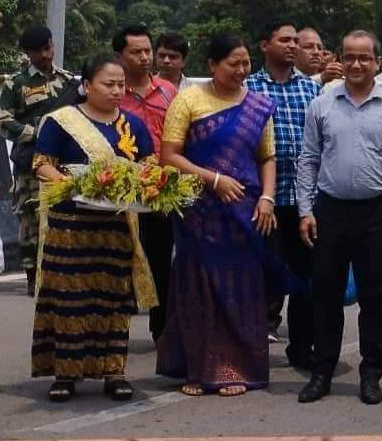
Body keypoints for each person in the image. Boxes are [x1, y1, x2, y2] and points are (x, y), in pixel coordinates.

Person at [294, 31, 382, 405]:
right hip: (330, 209)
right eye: (349, 57)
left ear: (377, 62)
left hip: (376, 212)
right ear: (341, 60)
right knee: (326, 293)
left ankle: (371, 373)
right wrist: (305, 210)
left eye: (365, 57)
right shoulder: (322, 105)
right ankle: (321, 371)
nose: (357, 64)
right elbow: (309, 159)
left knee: (375, 295)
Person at [29, 55, 158, 402]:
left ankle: (113, 372)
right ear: (86, 85)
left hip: (115, 227)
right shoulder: (61, 121)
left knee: (113, 301)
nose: (117, 91)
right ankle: (65, 375)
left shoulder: (133, 124)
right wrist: (72, 185)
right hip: (69, 226)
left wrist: (148, 183)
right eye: (108, 84)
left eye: (121, 85)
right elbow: (42, 164)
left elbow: (148, 165)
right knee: (70, 302)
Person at [156, 34, 279, 396]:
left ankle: (238, 367)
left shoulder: (259, 105)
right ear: (212, 65)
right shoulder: (189, 100)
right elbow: (170, 156)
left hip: (245, 211)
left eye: (245, 63)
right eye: (233, 64)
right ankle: (197, 370)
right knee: (199, 288)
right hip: (199, 211)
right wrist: (213, 180)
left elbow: (266, 157)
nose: (242, 71)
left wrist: (267, 198)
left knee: (240, 288)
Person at [245, 22, 324, 365]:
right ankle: (250, 350)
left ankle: (302, 349)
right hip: (263, 200)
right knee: (258, 277)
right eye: (284, 40)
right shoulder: (247, 88)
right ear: (265, 44)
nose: (292, 46)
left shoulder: (312, 90)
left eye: (296, 40)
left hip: (305, 201)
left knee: (307, 278)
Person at [113, 24, 180, 341]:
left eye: (147, 51)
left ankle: (161, 328)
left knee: (160, 259)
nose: (144, 57)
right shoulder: (111, 92)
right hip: (118, 189)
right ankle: (113, 329)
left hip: (160, 189)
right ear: (120, 55)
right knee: (118, 258)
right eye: (135, 52)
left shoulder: (168, 91)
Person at [1, 25, 76, 293]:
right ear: (28, 53)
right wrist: (35, 132)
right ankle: (33, 276)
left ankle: (59, 272)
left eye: (48, 48)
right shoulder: (16, 84)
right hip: (28, 162)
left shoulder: (69, 82)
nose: (45, 55)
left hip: (62, 161)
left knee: (61, 215)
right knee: (29, 220)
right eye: (38, 51)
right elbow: (4, 118)